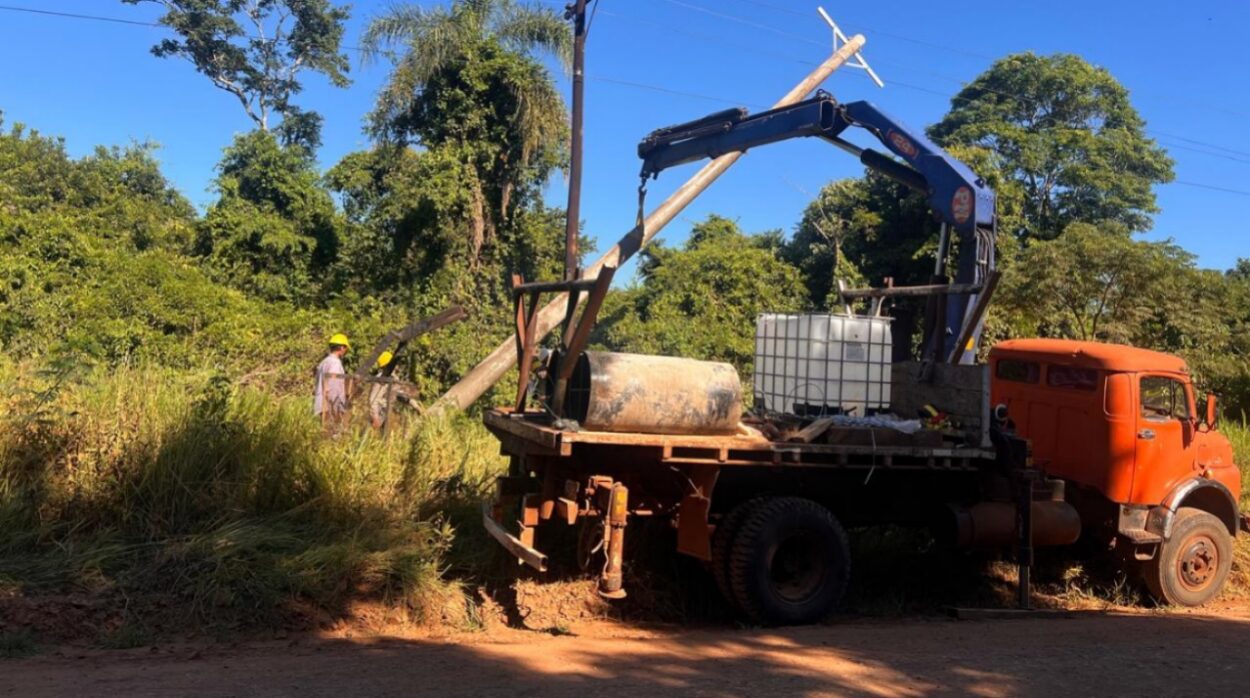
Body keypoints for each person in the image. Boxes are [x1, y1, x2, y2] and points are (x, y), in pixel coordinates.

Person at [314, 333, 351, 433]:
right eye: (345, 348)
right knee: (331, 435)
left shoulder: (324, 362)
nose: (346, 350)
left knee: (324, 433)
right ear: (342, 348)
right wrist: (336, 408)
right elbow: (333, 387)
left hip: (321, 403)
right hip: (330, 406)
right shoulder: (335, 363)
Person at [368, 350, 395, 429]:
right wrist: (375, 417)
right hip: (379, 412)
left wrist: (416, 406)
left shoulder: (393, 377)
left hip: (386, 411)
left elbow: (400, 393)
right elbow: (373, 399)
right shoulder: (381, 378)